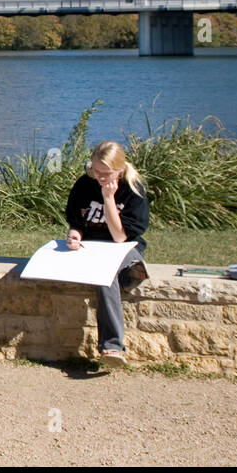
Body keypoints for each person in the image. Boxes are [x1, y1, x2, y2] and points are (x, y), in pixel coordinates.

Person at [64, 141, 150, 368]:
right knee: (103, 272)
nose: (99, 177)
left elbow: (120, 237)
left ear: (119, 170)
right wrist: (75, 235)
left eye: (106, 173)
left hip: (124, 248)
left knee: (106, 274)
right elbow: (77, 221)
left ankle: (112, 346)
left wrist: (109, 198)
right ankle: (131, 276)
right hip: (92, 248)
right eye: (95, 170)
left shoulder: (133, 190)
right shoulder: (85, 184)